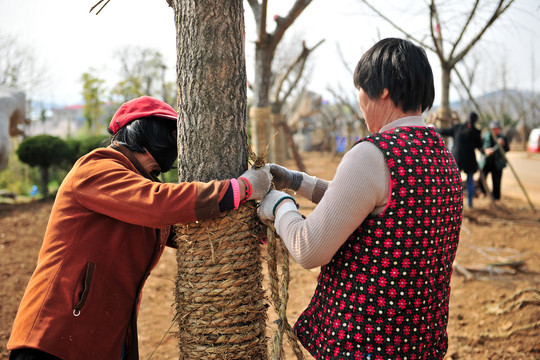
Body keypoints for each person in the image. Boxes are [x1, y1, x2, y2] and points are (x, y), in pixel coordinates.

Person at [7, 96, 272, 360]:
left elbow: (185, 233)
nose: (175, 142)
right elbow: (158, 203)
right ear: (144, 130)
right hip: (54, 338)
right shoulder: (97, 167)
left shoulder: (136, 183)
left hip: (103, 338)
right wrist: (240, 189)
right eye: (170, 132)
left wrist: (243, 233)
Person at [259, 38, 463, 359]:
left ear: (382, 90)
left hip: (367, 343)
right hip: (418, 342)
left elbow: (309, 249)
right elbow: (377, 209)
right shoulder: (441, 155)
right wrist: (298, 182)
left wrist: (277, 204)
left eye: (361, 90)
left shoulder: (374, 153)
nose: (360, 102)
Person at [436, 112, 483, 208]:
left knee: (453, 181)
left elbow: (444, 131)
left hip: (457, 159)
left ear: (466, 118)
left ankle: (452, 203)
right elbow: (479, 146)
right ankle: (470, 204)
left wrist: (433, 129)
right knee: (470, 180)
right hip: (470, 159)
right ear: (475, 121)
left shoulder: (458, 128)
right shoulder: (477, 132)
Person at [478, 120, 509, 201]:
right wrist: (485, 151)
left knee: (496, 182)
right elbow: (480, 147)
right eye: (493, 128)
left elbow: (507, 149)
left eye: (497, 128)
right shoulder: (485, 137)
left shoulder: (502, 138)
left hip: (497, 163)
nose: (495, 130)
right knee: (481, 179)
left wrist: (503, 145)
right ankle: (483, 193)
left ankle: (496, 197)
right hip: (486, 162)